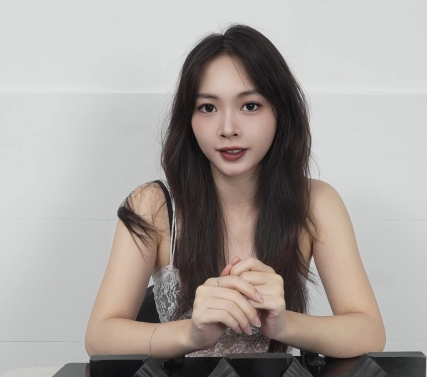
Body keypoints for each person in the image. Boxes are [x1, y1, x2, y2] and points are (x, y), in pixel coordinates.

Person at [85, 24, 385, 359]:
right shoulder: (152, 205)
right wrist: (191, 333)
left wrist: (284, 325)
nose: (228, 129)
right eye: (208, 108)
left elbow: (369, 333)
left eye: (250, 106)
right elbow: (99, 337)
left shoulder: (316, 203)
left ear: (281, 112)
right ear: (188, 118)